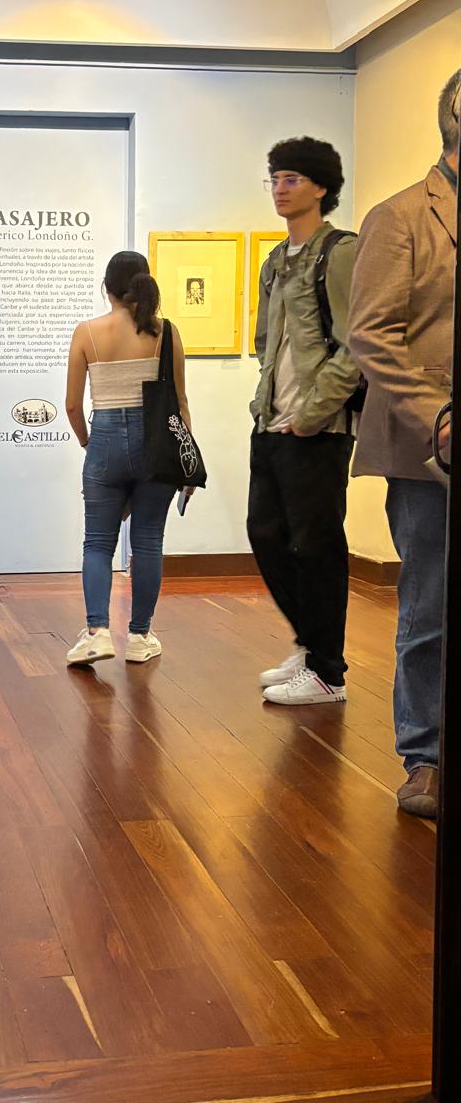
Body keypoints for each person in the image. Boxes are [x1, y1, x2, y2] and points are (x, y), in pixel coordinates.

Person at [347, 69, 459, 818]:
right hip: (430, 451)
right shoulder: (400, 217)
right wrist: (438, 414)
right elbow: (370, 334)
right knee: (430, 606)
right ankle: (424, 757)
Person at [249, 137, 362, 705]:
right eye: (274, 178)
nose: (279, 189)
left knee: (317, 546)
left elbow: (357, 342)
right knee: (265, 534)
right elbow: (266, 340)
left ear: (321, 187)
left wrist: (314, 412)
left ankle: (326, 674)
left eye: (291, 178)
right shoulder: (275, 261)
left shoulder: (341, 252)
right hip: (272, 424)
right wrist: (265, 406)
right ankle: (311, 643)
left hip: (319, 429)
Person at [64, 251, 192, 666]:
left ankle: (98, 632)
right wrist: (186, 457)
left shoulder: (87, 332)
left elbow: (72, 405)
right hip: (157, 445)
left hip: (105, 440)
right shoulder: (166, 333)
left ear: (107, 287)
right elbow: (179, 402)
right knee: (148, 541)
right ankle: (139, 636)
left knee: (98, 543)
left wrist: (89, 444)